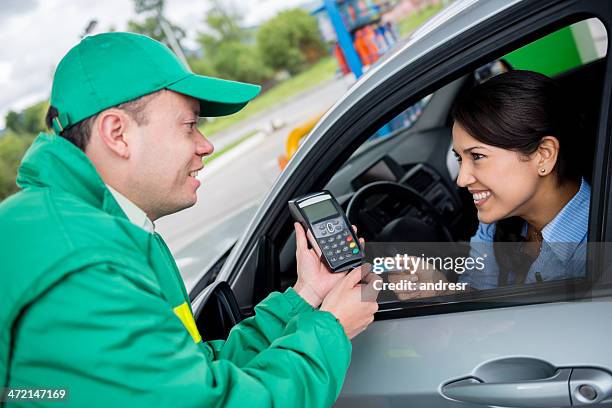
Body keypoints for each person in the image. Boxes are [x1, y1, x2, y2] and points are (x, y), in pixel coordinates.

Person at [0, 32, 379, 407]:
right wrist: (332, 329)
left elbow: (194, 373)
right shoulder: (83, 261)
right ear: (118, 134)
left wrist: (306, 295)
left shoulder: (117, 230)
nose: (206, 145)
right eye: (189, 125)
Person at [391, 70, 590, 297]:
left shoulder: (596, 239)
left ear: (543, 155)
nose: (462, 179)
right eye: (459, 158)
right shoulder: (497, 220)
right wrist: (440, 291)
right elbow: (478, 294)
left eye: (477, 156)